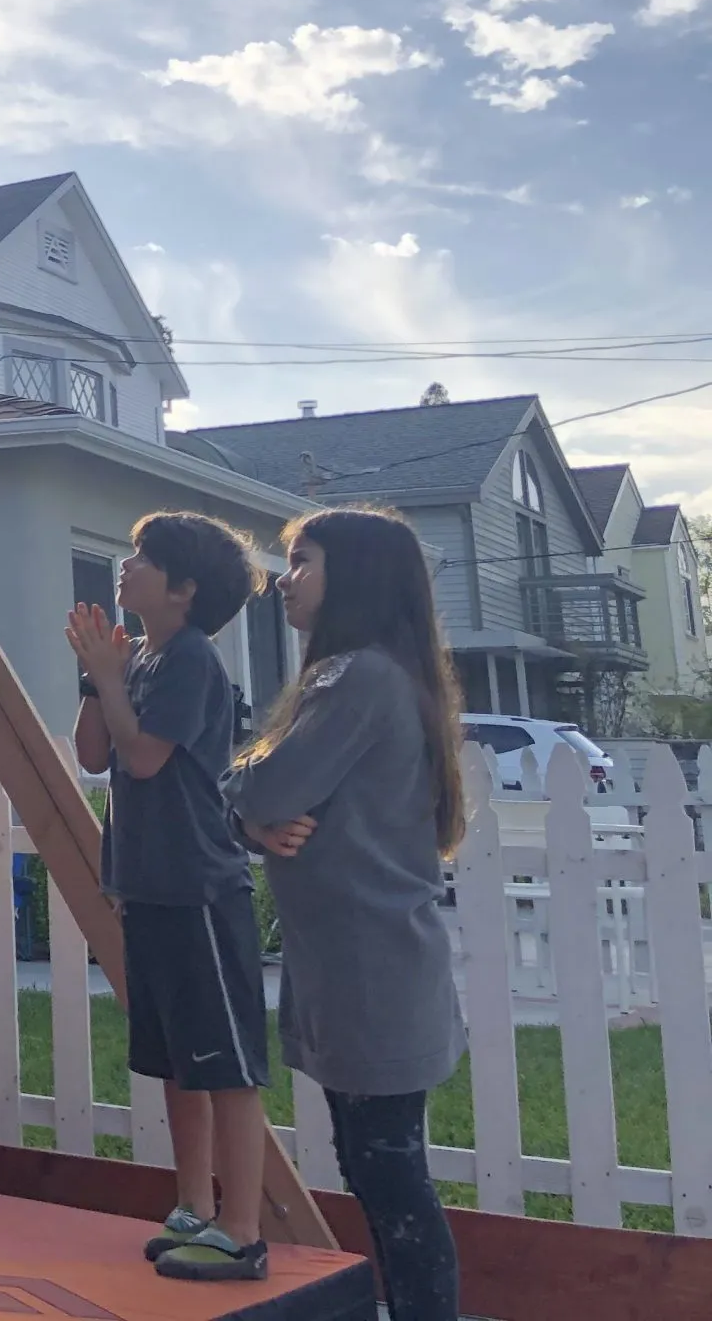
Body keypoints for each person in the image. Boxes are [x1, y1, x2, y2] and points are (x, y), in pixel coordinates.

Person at [224, 507, 466, 1321]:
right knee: (381, 1168)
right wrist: (254, 816)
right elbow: (268, 802)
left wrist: (246, 805)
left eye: (304, 561)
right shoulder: (384, 673)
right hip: (372, 960)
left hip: (370, 968)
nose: (286, 579)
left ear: (352, 577)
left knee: (389, 1175)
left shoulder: (355, 677)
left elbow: (266, 787)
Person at [66, 512, 271, 1283]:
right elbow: (94, 755)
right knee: (179, 1065)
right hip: (145, 887)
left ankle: (242, 1230)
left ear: (184, 590)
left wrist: (113, 680)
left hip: (198, 890)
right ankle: (192, 1208)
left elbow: (146, 758)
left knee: (225, 1067)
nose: (126, 566)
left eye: (145, 559)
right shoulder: (142, 658)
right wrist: (97, 676)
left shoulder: (190, 660)